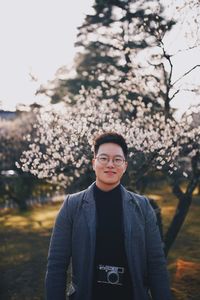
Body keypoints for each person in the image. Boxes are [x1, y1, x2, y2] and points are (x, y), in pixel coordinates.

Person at [45, 132, 172, 300]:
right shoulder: (72, 206)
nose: (110, 164)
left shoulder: (142, 207)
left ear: (125, 165)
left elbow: (156, 264)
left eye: (117, 159)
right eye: (103, 158)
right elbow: (56, 265)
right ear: (94, 163)